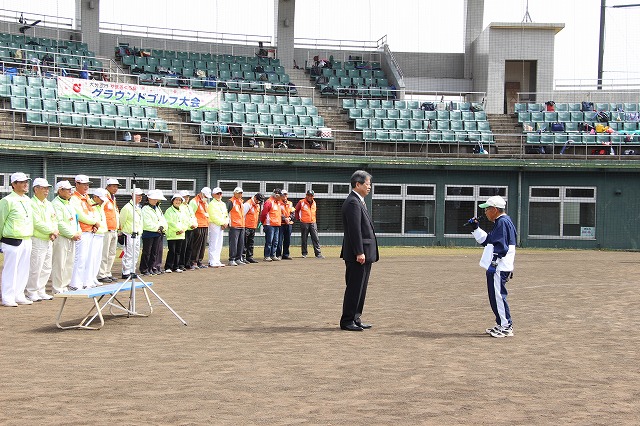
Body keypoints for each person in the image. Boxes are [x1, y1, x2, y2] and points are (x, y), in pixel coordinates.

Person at [467, 195, 517, 338]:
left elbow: (501, 247)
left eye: (487, 209)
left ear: (495, 209)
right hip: (499, 267)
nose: (485, 212)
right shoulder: (501, 222)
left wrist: (494, 264)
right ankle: (502, 323)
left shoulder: (502, 222)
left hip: (499, 268)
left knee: (499, 297)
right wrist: (476, 228)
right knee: (495, 297)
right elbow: (488, 241)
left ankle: (506, 326)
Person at [340, 170, 379, 331]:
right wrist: (359, 252)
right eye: (367, 184)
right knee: (354, 287)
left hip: (365, 252)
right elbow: (354, 230)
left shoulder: (359, 201)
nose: (369, 187)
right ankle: (347, 320)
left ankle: (355, 317)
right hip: (358, 254)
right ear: (358, 184)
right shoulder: (352, 203)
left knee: (361, 287)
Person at [0, 172, 35, 306]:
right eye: (21, 182)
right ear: (14, 184)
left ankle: (19, 294)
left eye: (26, 181)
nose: (25, 184)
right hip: (11, 239)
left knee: (23, 269)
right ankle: (7, 296)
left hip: (27, 238)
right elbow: (1, 220)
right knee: (11, 269)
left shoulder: (27, 200)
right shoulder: (7, 201)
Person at [25, 178, 59, 301]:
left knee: (46, 267)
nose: (46, 191)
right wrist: (51, 231)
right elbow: (36, 222)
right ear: (36, 189)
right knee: (36, 266)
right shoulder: (31, 203)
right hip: (37, 239)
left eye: (47, 188)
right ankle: (32, 291)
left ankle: (41, 290)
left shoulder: (49, 204)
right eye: (43, 188)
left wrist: (54, 231)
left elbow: (54, 219)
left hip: (49, 239)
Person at [69, 174, 100, 290]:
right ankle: (75, 283)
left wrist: (95, 223)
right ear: (77, 184)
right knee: (80, 258)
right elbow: (80, 215)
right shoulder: (74, 198)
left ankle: (86, 282)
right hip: (82, 231)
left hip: (90, 231)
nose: (86, 186)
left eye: (87, 184)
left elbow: (91, 212)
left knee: (88, 258)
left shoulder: (86, 197)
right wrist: (94, 222)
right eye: (84, 184)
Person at [51, 180, 81, 294]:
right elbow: (59, 222)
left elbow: (76, 220)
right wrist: (72, 234)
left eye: (70, 189)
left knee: (69, 262)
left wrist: (78, 232)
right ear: (60, 190)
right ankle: (57, 287)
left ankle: (65, 285)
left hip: (72, 237)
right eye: (67, 189)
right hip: (62, 237)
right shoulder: (56, 204)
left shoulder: (69, 203)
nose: (70, 191)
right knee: (60, 263)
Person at [140, 189, 168, 276]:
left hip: (157, 233)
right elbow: (146, 222)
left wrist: (162, 228)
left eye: (156, 199)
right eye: (153, 199)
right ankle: (144, 269)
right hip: (148, 234)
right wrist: (157, 228)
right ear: (148, 199)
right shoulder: (145, 209)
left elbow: (162, 219)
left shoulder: (157, 208)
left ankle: (151, 267)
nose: (155, 201)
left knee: (154, 252)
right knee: (147, 252)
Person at [98, 178, 120, 283]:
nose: (115, 188)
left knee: (112, 253)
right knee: (104, 253)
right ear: (108, 186)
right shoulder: (104, 196)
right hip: (106, 229)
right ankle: (101, 273)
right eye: (113, 186)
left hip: (113, 229)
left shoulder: (113, 198)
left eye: (117, 186)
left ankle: (108, 272)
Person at [119, 188, 143, 279]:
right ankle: (126, 271)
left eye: (140, 196)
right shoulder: (127, 207)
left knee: (136, 253)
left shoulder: (138, 207)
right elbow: (122, 221)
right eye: (138, 195)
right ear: (132, 195)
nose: (140, 197)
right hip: (129, 233)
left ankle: (133, 270)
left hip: (137, 234)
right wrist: (122, 232)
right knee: (128, 253)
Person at [88, 188, 109, 286]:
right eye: (101, 199)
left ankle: (94, 277)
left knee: (97, 258)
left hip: (101, 234)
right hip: (94, 235)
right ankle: (89, 278)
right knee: (92, 258)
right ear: (95, 197)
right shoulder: (91, 206)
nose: (103, 201)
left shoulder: (100, 206)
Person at [295, 189, 324, 259]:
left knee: (316, 238)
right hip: (304, 223)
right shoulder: (301, 202)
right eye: (308, 195)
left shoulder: (314, 203)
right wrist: (298, 219)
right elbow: (296, 210)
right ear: (306, 195)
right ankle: (304, 253)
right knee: (304, 239)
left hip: (313, 222)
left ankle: (318, 254)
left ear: (313, 196)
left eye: (311, 196)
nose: (309, 197)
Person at [164, 193, 188, 273]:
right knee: (172, 251)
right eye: (176, 200)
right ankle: (168, 267)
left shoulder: (182, 211)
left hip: (181, 234)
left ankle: (176, 266)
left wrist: (183, 229)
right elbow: (169, 222)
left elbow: (186, 221)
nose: (178, 201)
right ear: (172, 201)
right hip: (172, 234)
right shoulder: (169, 211)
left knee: (178, 251)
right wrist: (178, 229)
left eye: (179, 200)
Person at [189, 187, 212, 269]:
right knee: (196, 245)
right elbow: (191, 214)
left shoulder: (205, 203)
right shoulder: (194, 202)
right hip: (197, 226)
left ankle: (199, 261)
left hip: (205, 225)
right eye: (205, 196)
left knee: (202, 245)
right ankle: (193, 261)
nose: (206, 198)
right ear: (201, 194)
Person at [207, 187, 229, 267]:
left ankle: (217, 260)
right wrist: (222, 223)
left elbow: (226, 214)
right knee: (214, 242)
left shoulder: (223, 204)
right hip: (214, 225)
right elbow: (213, 216)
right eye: (217, 194)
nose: (219, 195)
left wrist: (226, 223)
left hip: (221, 225)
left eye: (220, 193)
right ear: (213, 195)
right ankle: (212, 261)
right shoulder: (211, 204)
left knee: (219, 243)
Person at [260, 188, 283, 262]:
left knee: (275, 241)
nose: (281, 197)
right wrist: (263, 223)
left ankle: (273, 255)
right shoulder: (269, 202)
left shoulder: (278, 202)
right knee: (269, 241)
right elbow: (264, 213)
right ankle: (267, 256)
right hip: (269, 224)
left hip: (276, 224)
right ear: (276, 195)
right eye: (280, 195)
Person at [178, 190, 197, 271]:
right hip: (185, 229)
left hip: (191, 229)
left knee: (189, 247)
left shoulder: (189, 207)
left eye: (188, 197)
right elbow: (184, 219)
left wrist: (195, 224)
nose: (186, 198)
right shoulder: (180, 207)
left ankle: (187, 263)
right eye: (185, 197)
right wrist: (190, 225)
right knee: (183, 248)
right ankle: (181, 264)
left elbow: (193, 217)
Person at [242, 193, 264, 263]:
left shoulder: (258, 205)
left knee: (251, 243)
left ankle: (249, 257)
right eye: (258, 200)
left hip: (253, 226)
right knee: (244, 243)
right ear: (255, 198)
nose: (259, 202)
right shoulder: (248, 204)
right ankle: (243, 257)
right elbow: (242, 215)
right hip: (246, 226)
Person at [227, 187, 246, 266]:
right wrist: (227, 222)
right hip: (234, 226)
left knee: (241, 243)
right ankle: (232, 259)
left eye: (241, 193)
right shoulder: (230, 201)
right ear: (234, 193)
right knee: (233, 244)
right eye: (238, 193)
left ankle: (238, 258)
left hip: (242, 225)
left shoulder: (241, 202)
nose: (240, 194)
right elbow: (225, 212)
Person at [276, 189, 294, 260]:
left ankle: (286, 254)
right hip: (281, 224)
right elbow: (278, 213)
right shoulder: (278, 203)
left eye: (286, 194)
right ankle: (278, 255)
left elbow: (293, 213)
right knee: (279, 240)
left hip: (288, 224)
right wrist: (284, 218)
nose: (285, 196)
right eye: (283, 194)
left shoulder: (290, 203)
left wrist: (289, 218)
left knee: (287, 240)